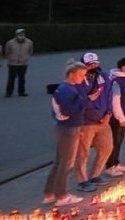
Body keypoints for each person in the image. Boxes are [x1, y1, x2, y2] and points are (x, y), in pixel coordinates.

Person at [42, 61, 98, 207]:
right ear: (71, 74)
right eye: (80, 75)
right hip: (69, 129)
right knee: (66, 163)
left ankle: (49, 193)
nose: (82, 78)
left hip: (66, 128)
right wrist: (88, 99)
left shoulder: (64, 88)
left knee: (60, 162)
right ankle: (61, 196)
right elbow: (68, 110)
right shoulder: (68, 90)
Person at [74, 52, 113, 192]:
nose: (93, 66)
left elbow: (109, 95)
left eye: (95, 63)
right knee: (83, 153)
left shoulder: (103, 76)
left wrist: (109, 113)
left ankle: (95, 175)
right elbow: (81, 100)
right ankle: (82, 180)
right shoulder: (78, 79)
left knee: (107, 147)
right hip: (85, 122)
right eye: (89, 64)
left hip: (103, 120)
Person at [105, 57, 125, 177]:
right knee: (114, 141)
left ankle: (116, 163)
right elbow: (115, 101)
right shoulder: (116, 80)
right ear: (123, 67)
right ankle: (110, 166)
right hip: (117, 117)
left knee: (119, 140)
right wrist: (121, 117)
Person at [4, 28, 33, 97]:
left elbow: (30, 51)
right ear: (16, 35)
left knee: (22, 78)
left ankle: (21, 92)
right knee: (11, 78)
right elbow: (7, 52)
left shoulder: (29, 42)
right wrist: (11, 58)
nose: (21, 35)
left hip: (23, 63)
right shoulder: (10, 42)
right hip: (12, 63)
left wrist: (26, 57)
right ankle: (9, 93)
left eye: (23, 34)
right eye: (20, 34)